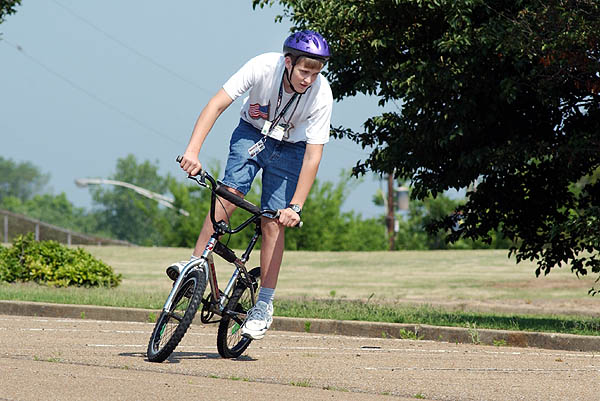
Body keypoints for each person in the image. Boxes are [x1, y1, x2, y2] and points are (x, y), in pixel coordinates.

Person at [168, 30, 333, 340]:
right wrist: (192, 151)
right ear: (288, 62)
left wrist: (295, 206)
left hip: (291, 149)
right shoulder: (261, 67)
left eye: (316, 72)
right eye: (304, 71)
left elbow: (313, 156)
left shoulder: (322, 94)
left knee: (273, 221)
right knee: (229, 193)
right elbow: (216, 104)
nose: (309, 79)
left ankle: (263, 304)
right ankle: (194, 265)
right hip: (252, 134)